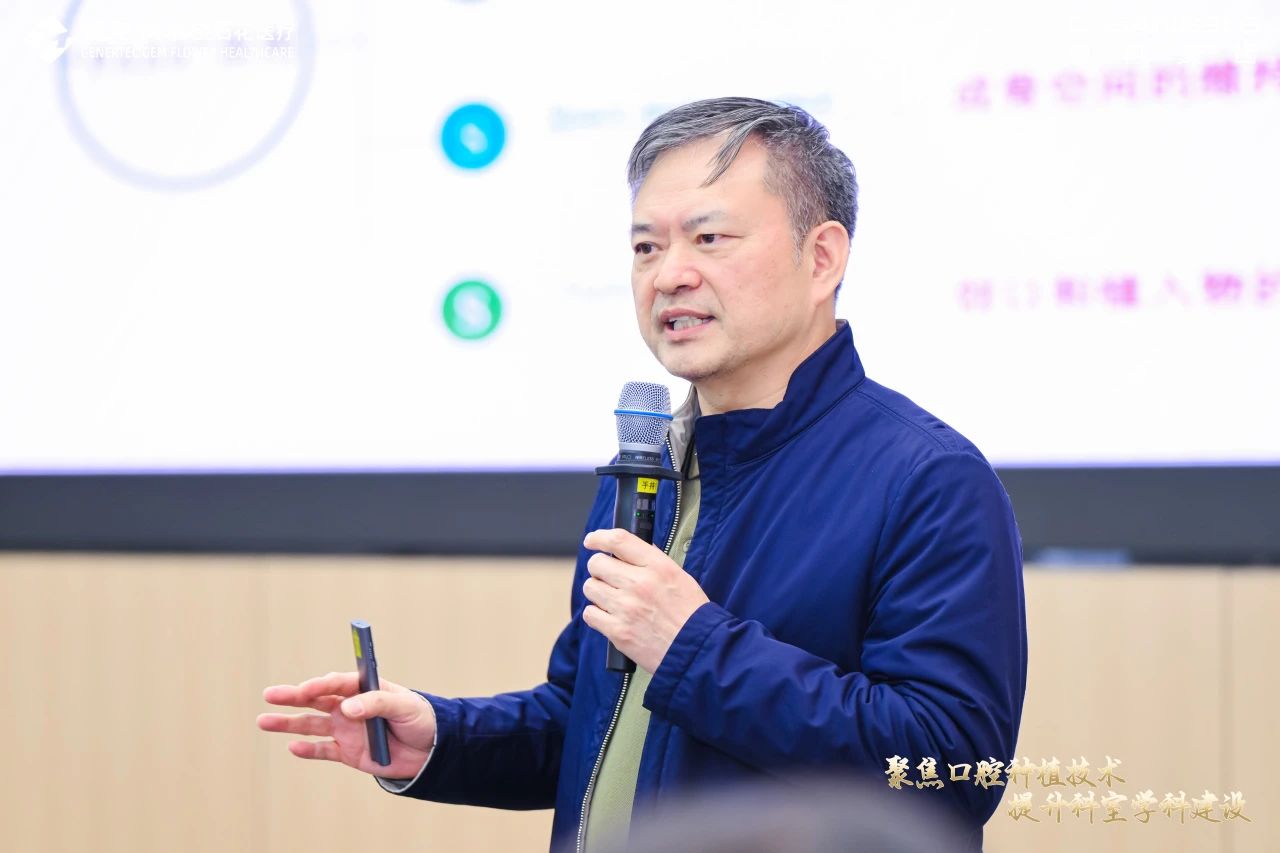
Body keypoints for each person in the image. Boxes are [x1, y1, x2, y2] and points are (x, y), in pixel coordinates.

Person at [258, 97, 1027, 853]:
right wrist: (442, 738)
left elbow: (950, 768)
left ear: (822, 257)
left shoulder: (929, 480)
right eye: (646, 247)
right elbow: (590, 721)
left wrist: (695, 646)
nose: (669, 275)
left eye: (709, 237)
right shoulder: (647, 467)